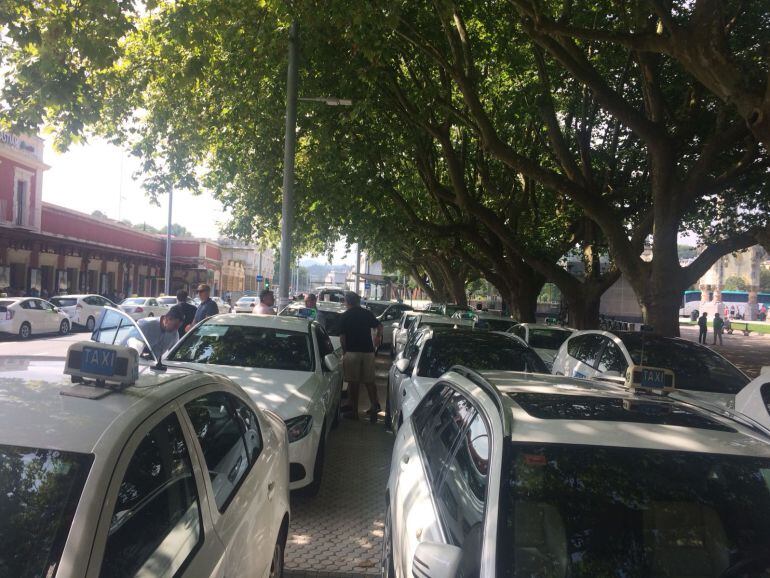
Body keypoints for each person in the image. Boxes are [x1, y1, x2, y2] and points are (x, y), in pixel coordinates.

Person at [339, 291, 383, 422]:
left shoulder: (345, 316)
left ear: (347, 302)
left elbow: (342, 338)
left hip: (352, 352)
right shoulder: (366, 313)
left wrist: (345, 352)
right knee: (370, 381)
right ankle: (374, 406)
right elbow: (379, 326)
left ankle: (354, 411)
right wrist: (378, 337)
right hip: (368, 352)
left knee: (354, 383)